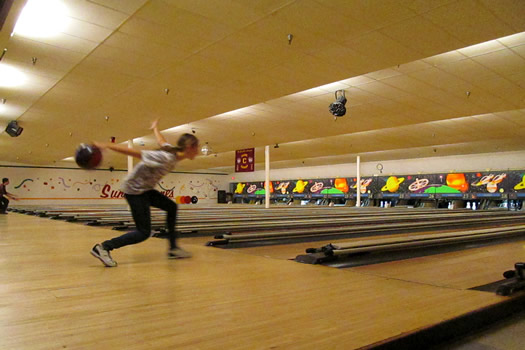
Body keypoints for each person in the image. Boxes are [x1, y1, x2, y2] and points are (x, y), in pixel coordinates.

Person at [90, 120, 199, 267]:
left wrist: (155, 128)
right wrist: (108, 145)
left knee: (171, 207)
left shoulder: (171, 152)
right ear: (189, 147)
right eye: (197, 147)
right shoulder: (165, 157)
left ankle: (173, 249)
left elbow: (161, 141)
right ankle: (103, 247)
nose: (198, 151)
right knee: (143, 232)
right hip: (134, 191)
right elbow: (137, 153)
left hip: (145, 189)